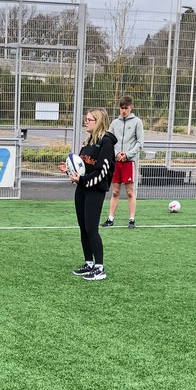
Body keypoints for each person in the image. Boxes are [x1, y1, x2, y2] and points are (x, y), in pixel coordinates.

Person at [59, 108, 117, 281]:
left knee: (91, 228)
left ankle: (100, 268)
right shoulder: (88, 142)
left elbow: (102, 172)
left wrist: (82, 180)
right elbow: (82, 168)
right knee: (83, 228)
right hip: (82, 190)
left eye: (89, 119)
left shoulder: (106, 142)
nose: (86, 122)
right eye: (86, 119)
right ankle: (89, 263)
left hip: (95, 191)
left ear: (98, 121)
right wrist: (69, 171)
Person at [103, 96, 144, 229]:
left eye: (126, 108)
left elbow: (140, 143)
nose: (124, 111)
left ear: (131, 107)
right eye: (122, 108)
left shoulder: (137, 122)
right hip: (116, 162)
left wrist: (127, 154)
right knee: (115, 192)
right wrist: (116, 154)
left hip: (129, 162)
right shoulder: (115, 123)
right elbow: (108, 141)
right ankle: (110, 218)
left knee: (130, 192)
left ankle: (132, 219)